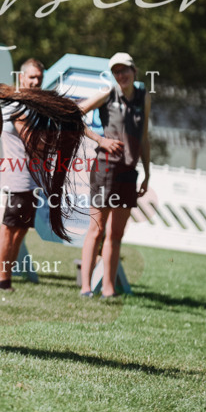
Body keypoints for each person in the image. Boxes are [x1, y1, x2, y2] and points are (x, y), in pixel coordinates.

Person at [78, 52, 150, 298]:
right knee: (96, 230)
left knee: (116, 234)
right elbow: (75, 114)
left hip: (129, 173)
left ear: (134, 71)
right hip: (105, 170)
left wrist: (147, 174)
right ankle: (86, 287)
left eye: (125, 70)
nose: (121, 75)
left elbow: (144, 137)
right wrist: (100, 140)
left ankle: (108, 288)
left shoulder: (143, 97)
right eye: (116, 71)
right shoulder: (108, 93)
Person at [0, 58, 45, 291]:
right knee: (10, 227)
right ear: (21, 77)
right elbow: (33, 141)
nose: (36, 82)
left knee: (21, 230)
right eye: (32, 77)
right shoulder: (19, 105)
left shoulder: (34, 105)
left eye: (39, 78)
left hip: (32, 179)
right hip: (19, 178)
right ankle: (2, 281)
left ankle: (7, 279)